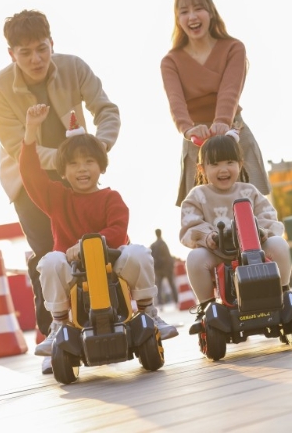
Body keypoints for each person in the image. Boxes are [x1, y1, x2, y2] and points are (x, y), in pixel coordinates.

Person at [0, 9, 121, 374]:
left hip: (78, 171)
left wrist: (99, 148)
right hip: (28, 179)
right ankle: (54, 334)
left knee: (95, 245)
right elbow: (19, 149)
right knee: (48, 255)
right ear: (11, 54)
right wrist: (67, 162)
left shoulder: (74, 67)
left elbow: (106, 109)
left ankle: (105, 318)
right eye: (25, 52)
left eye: (42, 49)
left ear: (52, 44)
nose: (36, 59)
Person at [21, 104, 179, 357]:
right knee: (49, 261)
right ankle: (59, 323)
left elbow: (117, 231)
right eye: (73, 164)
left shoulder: (111, 198)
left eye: (89, 161)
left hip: (112, 267)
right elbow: (30, 175)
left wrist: (85, 244)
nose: (81, 168)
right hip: (74, 272)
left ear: (101, 166)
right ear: (63, 171)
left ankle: (148, 311)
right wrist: (30, 130)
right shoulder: (57, 198)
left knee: (138, 252)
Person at [160, 0, 271, 207]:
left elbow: (230, 91)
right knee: (203, 212)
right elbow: (176, 102)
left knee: (252, 208)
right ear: (177, 19)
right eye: (184, 11)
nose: (192, 16)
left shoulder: (233, 48)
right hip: (196, 139)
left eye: (198, 8)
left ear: (210, 11)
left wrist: (222, 122)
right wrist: (188, 129)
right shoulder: (171, 61)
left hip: (232, 132)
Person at [178, 133, 292, 331]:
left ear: (240, 164)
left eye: (230, 162)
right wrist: (207, 237)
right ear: (202, 168)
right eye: (215, 164)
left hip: (253, 249)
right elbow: (190, 225)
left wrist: (263, 231)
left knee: (280, 244)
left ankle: (283, 292)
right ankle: (206, 306)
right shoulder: (197, 195)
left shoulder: (249, 191)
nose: (223, 169)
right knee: (195, 258)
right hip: (217, 252)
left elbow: (268, 216)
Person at [150, 229, 178, 306]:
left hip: (158, 269)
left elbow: (151, 257)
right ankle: (176, 301)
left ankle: (160, 303)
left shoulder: (153, 245)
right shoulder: (163, 243)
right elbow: (168, 256)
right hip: (166, 268)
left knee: (159, 286)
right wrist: (171, 267)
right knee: (171, 284)